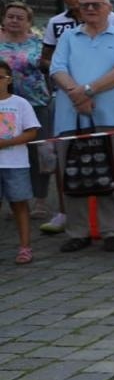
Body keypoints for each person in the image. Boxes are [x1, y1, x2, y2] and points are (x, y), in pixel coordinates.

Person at [49, 0, 114, 252]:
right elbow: (57, 68)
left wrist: (88, 90)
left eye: (96, 4)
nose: (89, 9)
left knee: (110, 172)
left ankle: (111, 230)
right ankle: (78, 232)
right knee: (72, 174)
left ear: (108, 8)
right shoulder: (69, 37)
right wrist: (77, 95)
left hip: (111, 116)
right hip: (71, 116)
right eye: (84, 5)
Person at [0, 3, 52, 219]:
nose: (14, 21)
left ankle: (40, 200)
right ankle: (16, 200)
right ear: (3, 19)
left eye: (20, 18)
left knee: (41, 153)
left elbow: (50, 68)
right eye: (10, 16)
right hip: (5, 107)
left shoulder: (39, 45)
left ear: (29, 22)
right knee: (9, 153)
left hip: (36, 103)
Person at [0, 60, 41, 264]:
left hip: (15, 163)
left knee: (19, 204)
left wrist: (7, 142)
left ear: (9, 80)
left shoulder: (20, 103)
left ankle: (25, 247)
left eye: (0, 77)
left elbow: (32, 132)